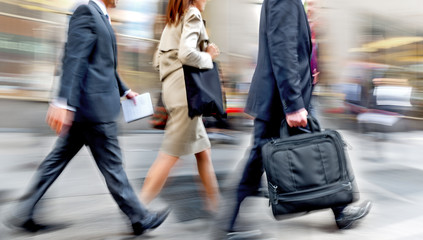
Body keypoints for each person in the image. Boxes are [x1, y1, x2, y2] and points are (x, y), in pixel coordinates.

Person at [8, 0, 169, 236]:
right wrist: (63, 102)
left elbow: (105, 65)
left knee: (55, 162)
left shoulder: (101, 17)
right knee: (113, 166)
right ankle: (139, 218)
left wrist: (125, 90)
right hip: (94, 110)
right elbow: (74, 59)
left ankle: (24, 212)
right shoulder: (86, 12)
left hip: (87, 111)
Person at [223, 0, 371, 235]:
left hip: (280, 98)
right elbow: (283, 50)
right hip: (280, 101)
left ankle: (340, 210)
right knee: (265, 158)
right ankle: (228, 226)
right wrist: (293, 105)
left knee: (270, 156)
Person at [139, 0, 220, 214]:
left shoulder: (174, 19)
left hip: (174, 93)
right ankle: (137, 210)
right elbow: (186, 54)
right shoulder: (192, 14)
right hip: (187, 97)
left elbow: (158, 59)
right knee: (169, 155)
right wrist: (208, 57)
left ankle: (217, 210)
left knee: (204, 154)